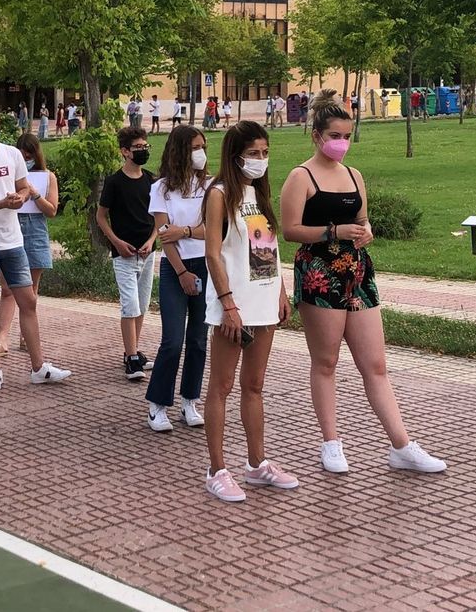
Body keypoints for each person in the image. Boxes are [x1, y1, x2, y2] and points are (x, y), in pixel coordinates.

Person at [279, 90, 447, 478]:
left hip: (357, 273)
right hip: (320, 274)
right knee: (326, 362)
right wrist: (333, 230)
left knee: (375, 363)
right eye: (335, 135)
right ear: (317, 135)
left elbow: (363, 219)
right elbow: (290, 230)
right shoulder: (300, 176)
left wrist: (365, 232)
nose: (342, 142)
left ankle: (402, 445)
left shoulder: (354, 176)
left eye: (347, 135)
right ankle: (331, 442)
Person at [199, 120, 299, 502]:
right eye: (253, 154)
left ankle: (257, 464)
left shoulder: (258, 192)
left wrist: (281, 291)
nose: (261, 160)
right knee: (221, 387)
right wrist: (227, 304)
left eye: (265, 153)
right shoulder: (221, 194)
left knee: (254, 386)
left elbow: (267, 249)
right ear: (235, 155)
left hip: (264, 303)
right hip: (234, 305)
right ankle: (216, 468)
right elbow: (212, 252)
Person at [0, 102, 71, 391]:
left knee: (29, 301)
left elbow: (24, 186)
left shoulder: (12, 154)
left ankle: (39, 366)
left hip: (13, 241)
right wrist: (0, 203)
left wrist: (22, 197)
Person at [145, 125, 210, 432]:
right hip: (175, 268)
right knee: (173, 340)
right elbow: (163, 235)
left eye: (204, 147)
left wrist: (185, 231)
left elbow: (216, 230)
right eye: (196, 147)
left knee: (199, 339)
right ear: (181, 151)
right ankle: (157, 404)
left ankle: (189, 401)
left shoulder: (210, 186)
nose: (202, 153)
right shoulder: (161, 189)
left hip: (207, 263)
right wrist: (182, 271)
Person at [98, 126, 157, 381]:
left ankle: (133, 350)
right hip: (124, 254)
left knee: (142, 304)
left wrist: (153, 240)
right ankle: (132, 358)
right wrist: (116, 242)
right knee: (129, 305)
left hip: (147, 252)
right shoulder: (114, 182)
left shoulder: (151, 180)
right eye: (137, 148)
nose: (143, 151)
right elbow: (101, 216)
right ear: (125, 151)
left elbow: (159, 216)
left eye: (145, 147)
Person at [0, 133, 57, 357]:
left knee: (30, 291)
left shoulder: (48, 176)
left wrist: (35, 194)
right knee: (8, 288)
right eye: (22, 156)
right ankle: (1, 339)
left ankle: (26, 337)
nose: (26, 160)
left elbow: (52, 210)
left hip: (35, 232)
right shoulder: (8, 175)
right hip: (11, 229)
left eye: (29, 156)